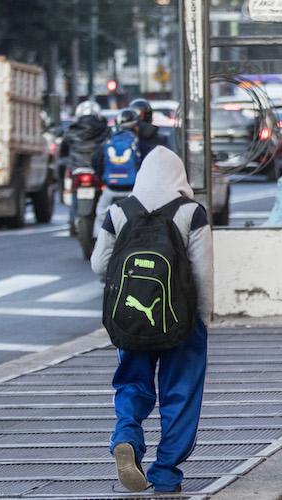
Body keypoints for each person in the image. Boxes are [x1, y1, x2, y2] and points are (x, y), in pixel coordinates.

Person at [90, 146, 214, 493]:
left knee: (132, 382)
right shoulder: (191, 212)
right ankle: (166, 473)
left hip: (131, 318)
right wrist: (203, 318)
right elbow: (203, 272)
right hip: (181, 320)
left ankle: (127, 435)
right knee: (181, 392)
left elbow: (99, 265)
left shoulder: (119, 211)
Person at [92, 109, 142, 238]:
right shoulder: (138, 142)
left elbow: (96, 160)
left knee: (101, 214)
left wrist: (103, 179)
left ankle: (99, 240)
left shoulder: (109, 141)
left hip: (111, 188)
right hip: (132, 190)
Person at [61, 100, 110, 230]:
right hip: (97, 170)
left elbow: (62, 151)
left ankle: (72, 220)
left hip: (76, 169)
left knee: (70, 189)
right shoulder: (104, 129)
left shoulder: (71, 130)